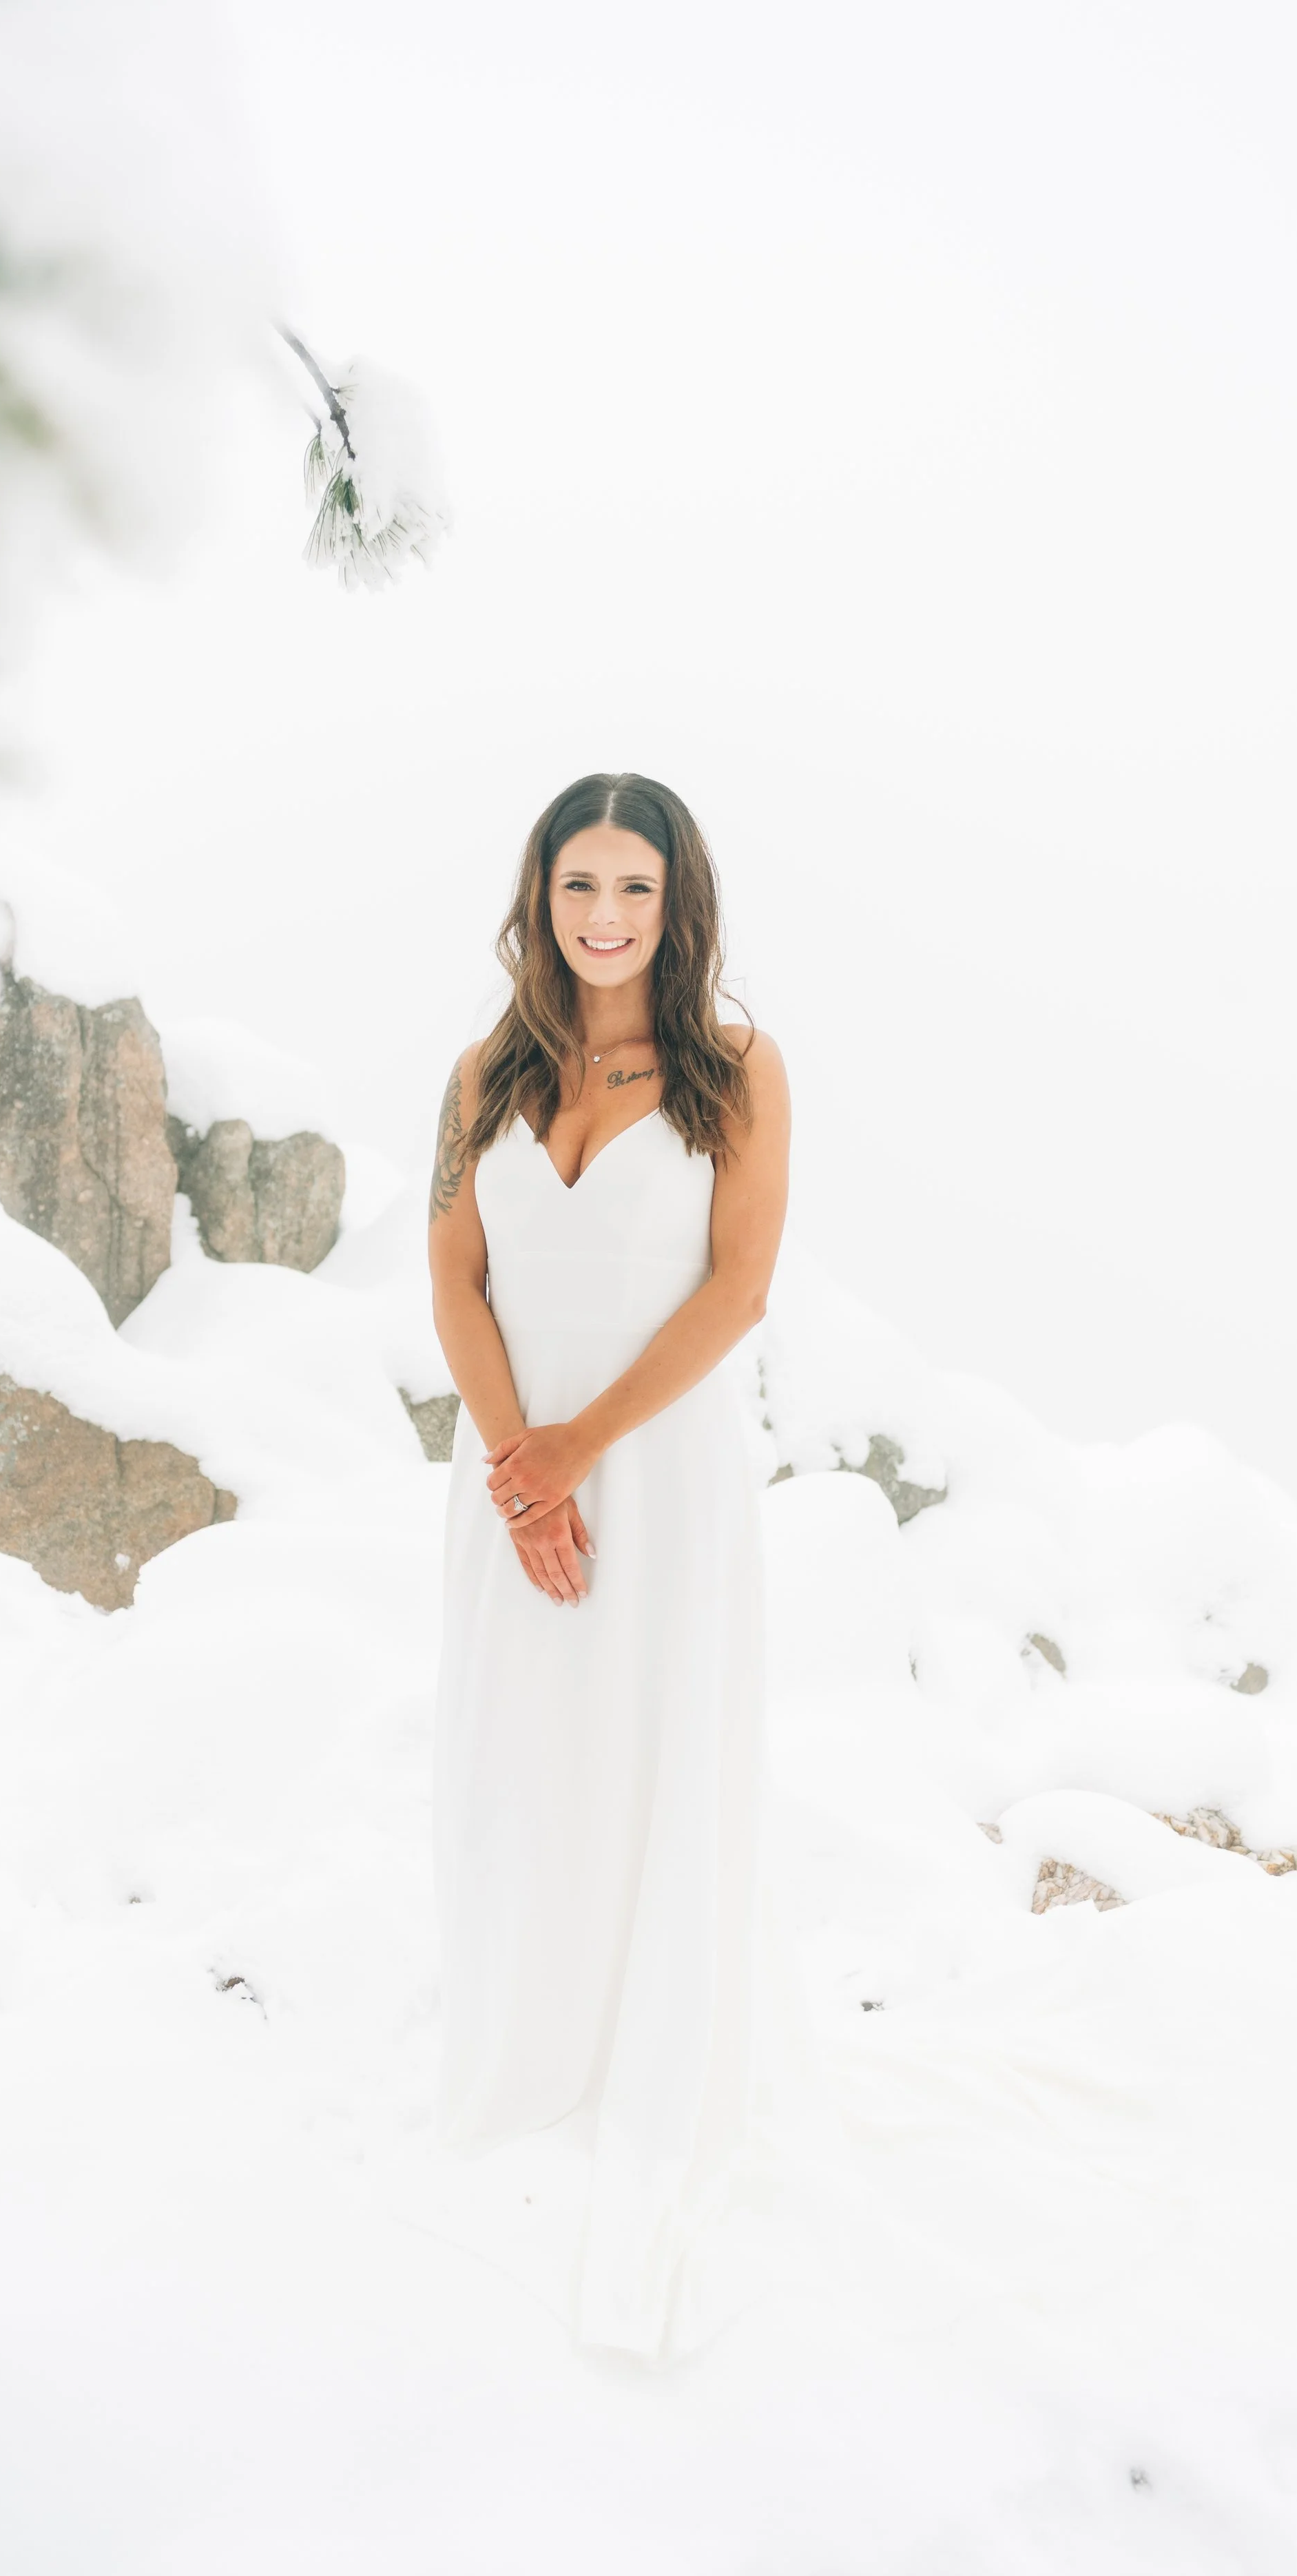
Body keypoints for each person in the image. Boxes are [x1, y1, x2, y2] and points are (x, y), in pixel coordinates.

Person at [425, 769, 792, 2358]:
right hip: (510, 1478)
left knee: (649, 1750)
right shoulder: (483, 1074)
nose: (603, 916)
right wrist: (520, 1472)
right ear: (540, 896)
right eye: (578, 885)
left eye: (633, 887)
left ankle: (641, 2069)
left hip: (657, 1478)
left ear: (675, 902)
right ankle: (525, 2051)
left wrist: (577, 1450)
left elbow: (737, 1290)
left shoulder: (736, 1071)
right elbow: (453, 1278)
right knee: (516, 1755)